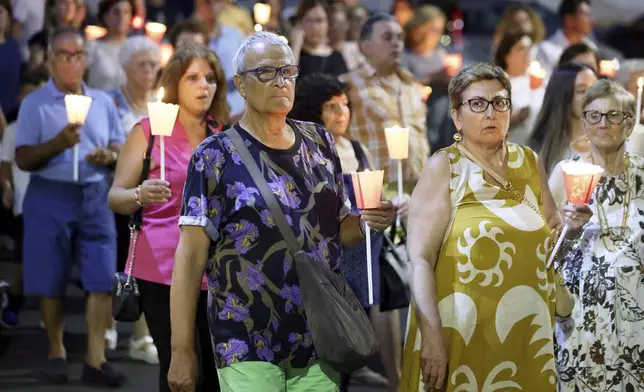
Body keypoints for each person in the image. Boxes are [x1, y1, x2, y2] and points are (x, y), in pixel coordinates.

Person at [167, 32, 397, 392]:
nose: (280, 82)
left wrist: (371, 219)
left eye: (288, 72)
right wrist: (181, 350)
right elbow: (189, 258)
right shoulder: (214, 156)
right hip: (245, 336)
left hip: (318, 333)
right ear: (241, 84)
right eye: (267, 73)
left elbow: (338, 232)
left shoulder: (319, 142)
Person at [400, 62, 592, 392]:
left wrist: (574, 227)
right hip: (460, 332)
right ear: (457, 116)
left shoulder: (528, 161)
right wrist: (432, 338)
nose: (491, 112)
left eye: (499, 102)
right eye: (477, 104)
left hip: (527, 336)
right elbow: (419, 261)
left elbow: (554, 239)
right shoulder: (445, 167)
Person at [108, 44, 227, 392]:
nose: (204, 86)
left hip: (213, 266)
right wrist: (139, 195)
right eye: (193, 78)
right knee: (178, 365)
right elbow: (115, 197)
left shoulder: (220, 135)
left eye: (210, 78)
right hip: (161, 266)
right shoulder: (147, 132)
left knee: (214, 365)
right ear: (175, 83)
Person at [14, 27, 126, 386]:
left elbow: (118, 149)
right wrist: (58, 143)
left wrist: (108, 156)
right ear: (50, 60)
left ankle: (96, 359)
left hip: (94, 193)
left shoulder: (104, 102)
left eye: (78, 55)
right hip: (50, 193)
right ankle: (56, 349)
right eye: (63, 55)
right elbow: (23, 158)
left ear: (87, 60)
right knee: (50, 277)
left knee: (101, 277)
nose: (71, 62)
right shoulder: (34, 103)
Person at [290, 73, 411, 391]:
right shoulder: (308, 151)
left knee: (358, 317)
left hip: (363, 249)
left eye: (345, 105)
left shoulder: (356, 148)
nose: (342, 113)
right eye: (331, 107)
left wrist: (390, 204)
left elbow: (373, 193)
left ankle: (364, 369)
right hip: (331, 252)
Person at [549, 79, 644, 391]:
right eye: (594, 115)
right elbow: (545, 257)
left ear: (630, 124)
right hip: (583, 320)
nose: (603, 123)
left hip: (637, 320)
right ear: (584, 121)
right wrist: (571, 231)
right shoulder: (566, 175)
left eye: (614, 116)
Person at [105, 35, 161, 364]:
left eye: (154, 64)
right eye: (142, 65)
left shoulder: (161, 103)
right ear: (126, 68)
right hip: (123, 189)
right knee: (120, 262)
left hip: (155, 195)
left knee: (143, 263)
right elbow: (112, 143)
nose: (150, 71)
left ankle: (141, 335)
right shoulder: (112, 102)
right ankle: (111, 321)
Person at [341, 13, 429, 193]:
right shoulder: (348, 86)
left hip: (419, 189)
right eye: (387, 38)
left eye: (399, 38)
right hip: (373, 192)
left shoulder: (411, 84)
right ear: (366, 47)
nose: (396, 44)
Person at [0, 73, 48, 327]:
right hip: (23, 202)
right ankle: (16, 302)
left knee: (45, 258)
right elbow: (5, 163)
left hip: (51, 201)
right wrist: (6, 186)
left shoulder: (53, 126)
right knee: (25, 258)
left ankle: (43, 308)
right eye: (25, 94)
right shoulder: (12, 129)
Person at [530, 63, 598, 175]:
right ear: (563, 95)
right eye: (582, 91)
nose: (593, 96)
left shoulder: (607, 144)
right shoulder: (541, 151)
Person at [194, 0, 245, 121]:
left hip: (235, 99)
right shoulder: (193, 35)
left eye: (216, 1)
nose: (211, 6)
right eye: (206, 2)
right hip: (203, 98)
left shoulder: (234, 34)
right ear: (198, 5)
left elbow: (244, 65)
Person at [494, 31, 544, 145]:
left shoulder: (539, 80)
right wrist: (517, 116)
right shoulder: (498, 84)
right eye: (521, 49)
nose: (527, 54)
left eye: (529, 49)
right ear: (507, 56)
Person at [290, 0, 349, 79]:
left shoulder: (337, 57)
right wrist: (296, 46)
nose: (314, 27)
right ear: (299, 23)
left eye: (319, 20)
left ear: (328, 24)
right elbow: (288, 78)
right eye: (309, 20)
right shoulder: (291, 53)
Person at [86, 0, 134, 91]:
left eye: (126, 12)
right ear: (106, 16)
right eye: (116, 12)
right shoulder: (92, 47)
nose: (121, 17)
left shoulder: (135, 48)